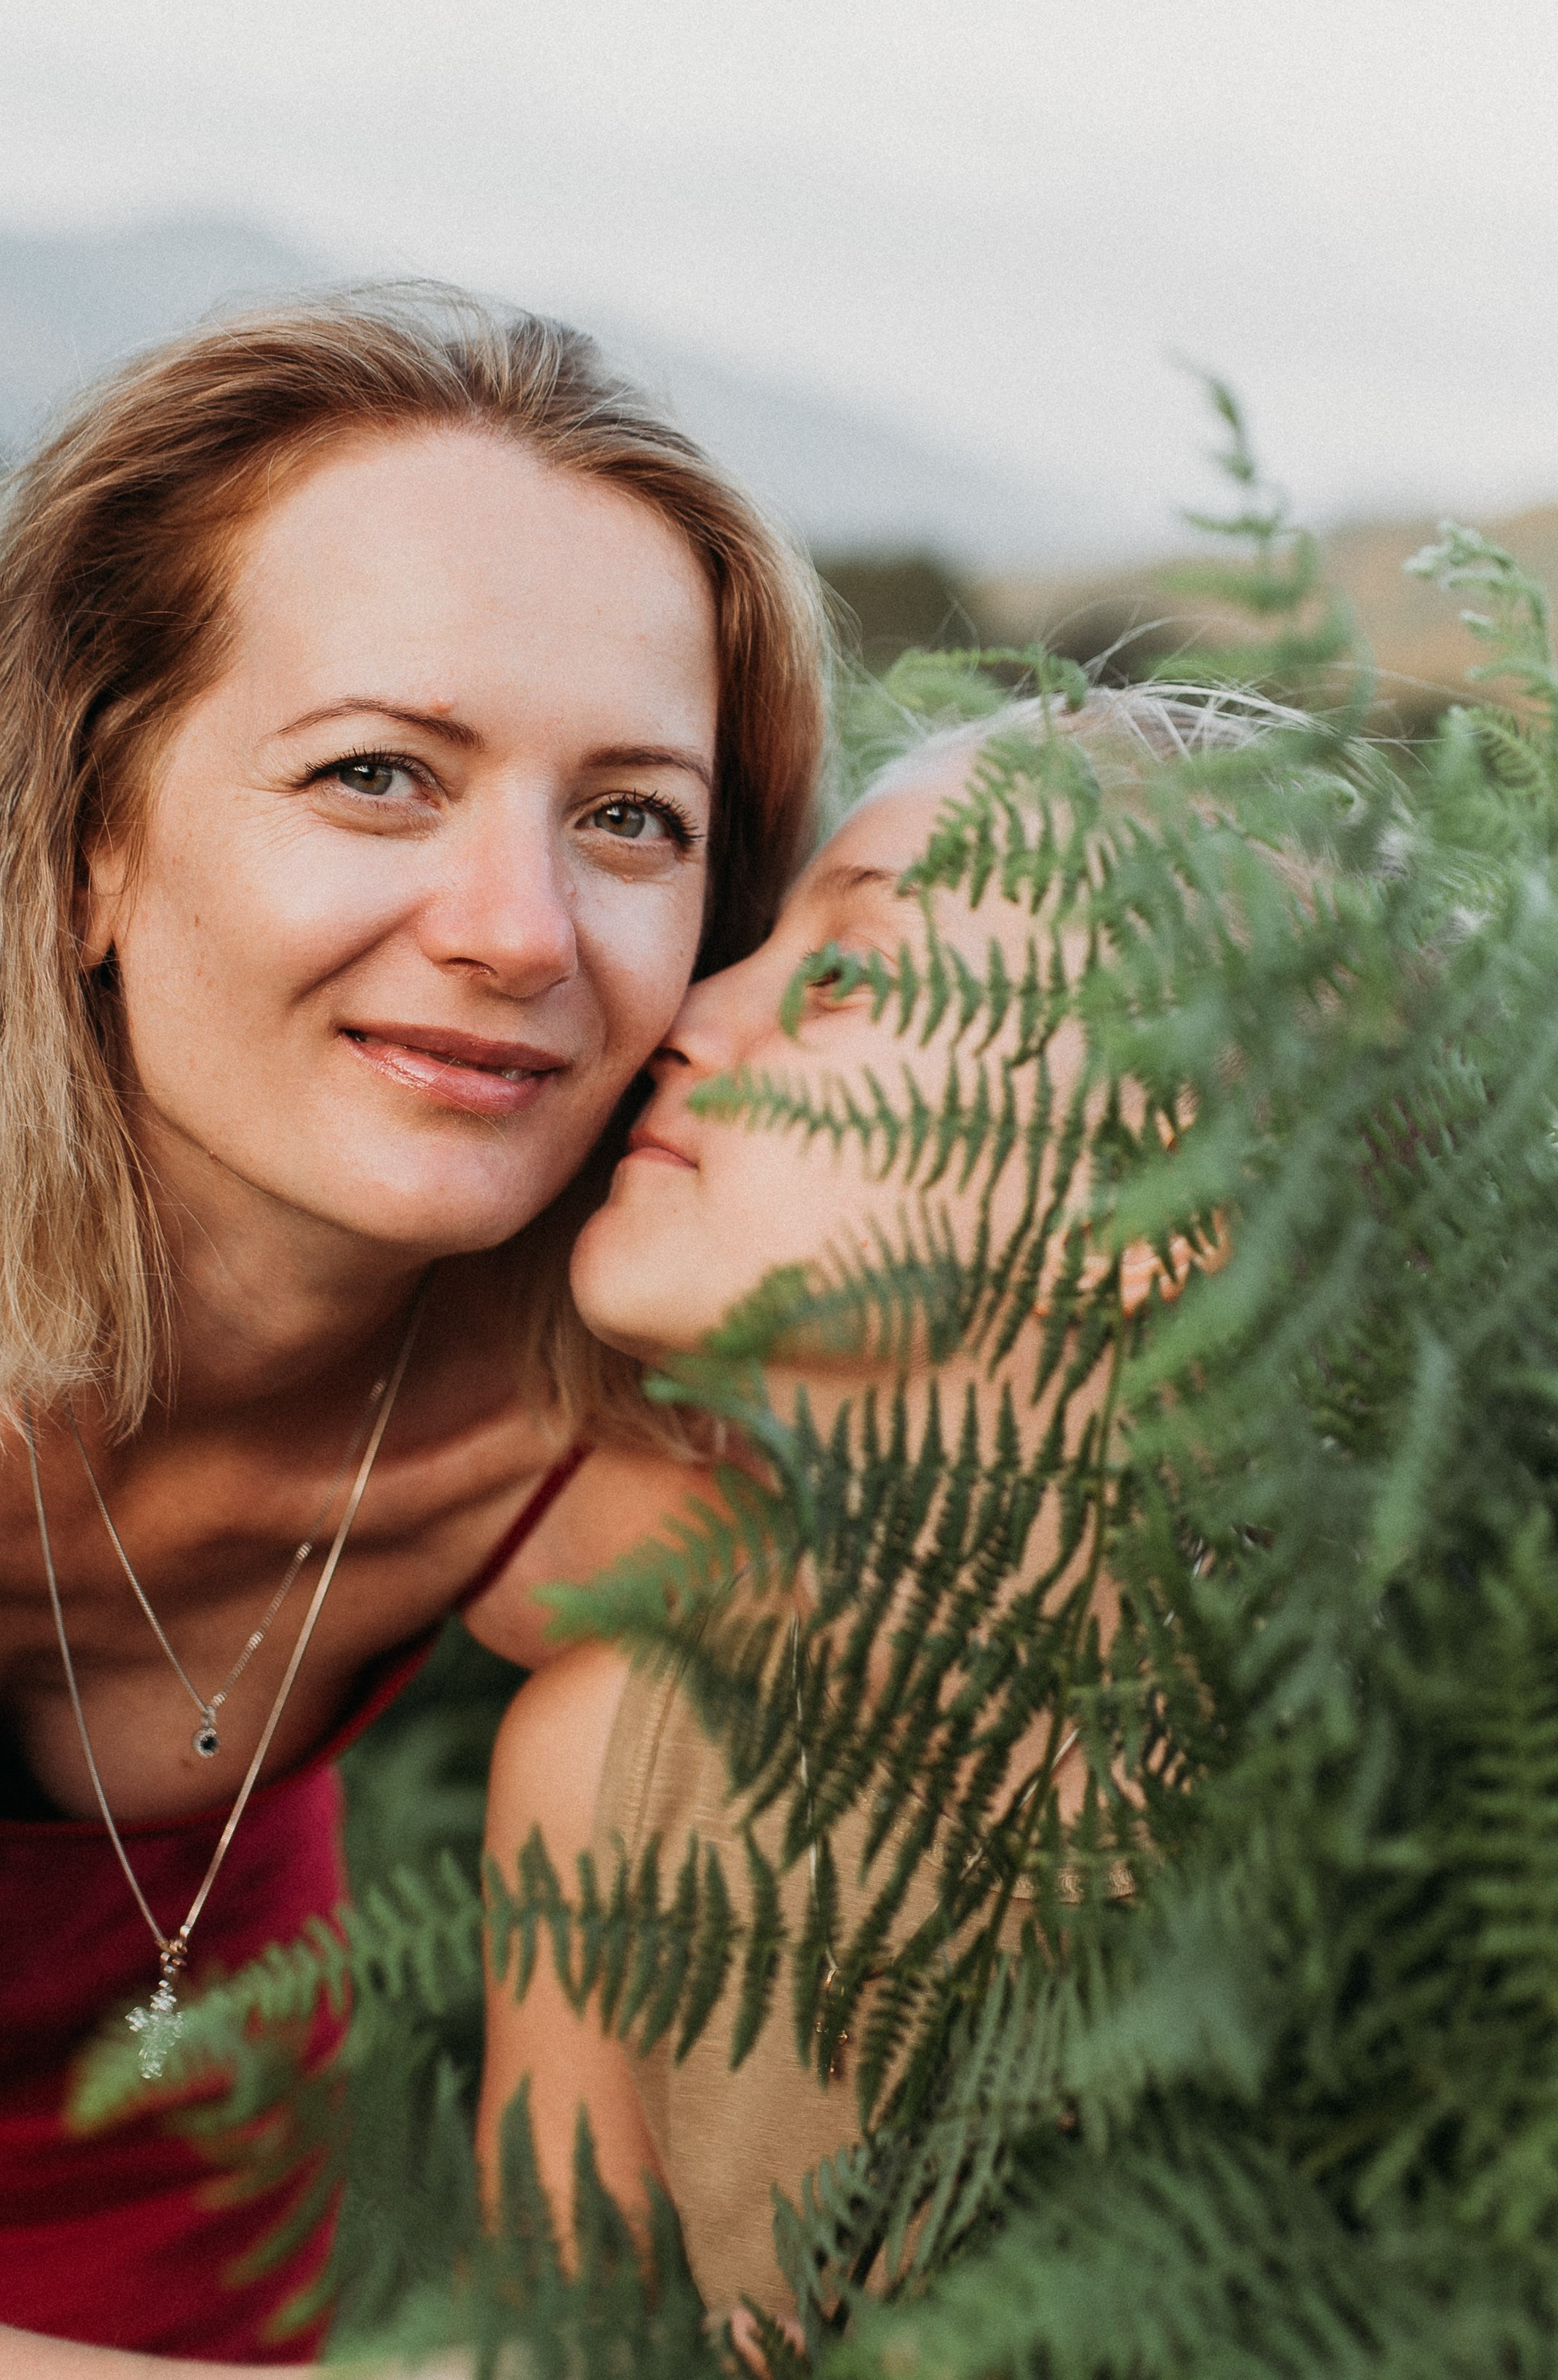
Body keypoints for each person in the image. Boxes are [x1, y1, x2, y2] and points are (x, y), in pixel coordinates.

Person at [0, 287, 827, 2371]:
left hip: (210, 2246)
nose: (519, 932)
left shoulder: (603, 1463)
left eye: (631, 818)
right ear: (86, 843)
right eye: (375, 775)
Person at [479, 689, 1252, 2332]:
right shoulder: (608, 1762)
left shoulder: (1400, 1788)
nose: (687, 1011)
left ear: (1157, 1201)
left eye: (842, 974)